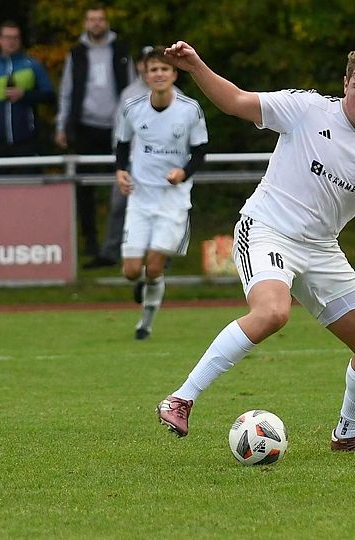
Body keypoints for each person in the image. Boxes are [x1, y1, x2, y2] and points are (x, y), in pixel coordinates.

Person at [155, 41, 355, 452]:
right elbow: (236, 102)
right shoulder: (307, 108)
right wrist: (195, 66)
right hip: (267, 229)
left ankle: (347, 435)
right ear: (345, 84)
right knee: (272, 312)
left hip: (321, 249)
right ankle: (181, 398)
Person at [114, 47, 207, 340]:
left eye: (164, 69)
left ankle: (145, 324)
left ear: (174, 74)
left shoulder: (189, 109)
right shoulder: (132, 107)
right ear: (145, 73)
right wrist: (120, 171)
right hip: (140, 198)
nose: (159, 74)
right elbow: (121, 143)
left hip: (172, 200)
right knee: (131, 271)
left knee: (154, 266)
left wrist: (183, 173)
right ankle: (142, 285)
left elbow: (200, 150)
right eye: (153, 69)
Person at [55, 6, 135, 266]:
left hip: (118, 129)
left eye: (100, 20)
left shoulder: (121, 51)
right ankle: (89, 242)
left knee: (123, 184)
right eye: (91, 20)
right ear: (85, 23)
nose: (96, 24)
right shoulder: (76, 54)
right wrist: (61, 125)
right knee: (85, 189)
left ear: (107, 23)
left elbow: (134, 90)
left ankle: (122, 243)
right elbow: (67, 91)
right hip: (85, 127)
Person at [99, 46, 163, 272]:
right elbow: (120, 132)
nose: (153, 72)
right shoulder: (129, 94)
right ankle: (113, 252)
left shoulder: (178, 97)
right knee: (120, 206)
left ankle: (160, 256)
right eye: (148, 65)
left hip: (162, 166)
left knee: (161, 212)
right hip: (133, 163)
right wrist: (120, 162)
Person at [0, 21, 55, 171]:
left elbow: (49, 96)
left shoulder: (33, 65)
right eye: (7, 37)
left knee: (29, 189)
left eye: (15, 38)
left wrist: (25, 95)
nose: (11, 42)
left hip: (27, 141)